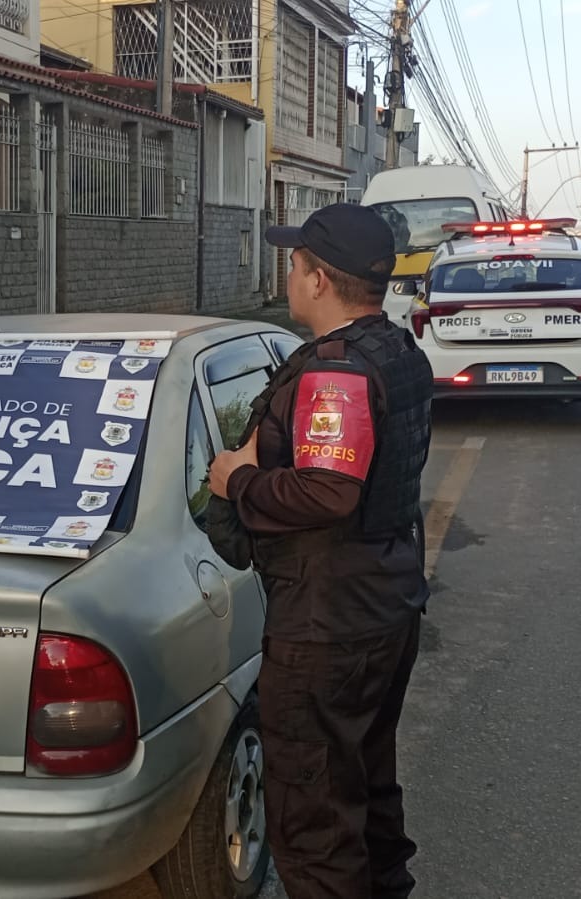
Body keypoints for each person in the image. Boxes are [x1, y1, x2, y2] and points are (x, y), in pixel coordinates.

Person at [206, 203, 434, 898]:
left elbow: (328, 492)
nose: (289, 271)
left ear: (319, 280)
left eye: (296, 262)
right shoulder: (393, 350)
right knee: (363, 780)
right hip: (380, 602)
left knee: (312, 816)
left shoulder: (335, 374)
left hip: (328, 619)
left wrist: (235, 478)